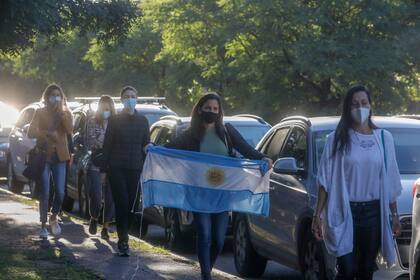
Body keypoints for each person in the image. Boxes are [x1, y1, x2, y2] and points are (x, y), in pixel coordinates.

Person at [167, 92, 272, 280]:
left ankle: (208, 267)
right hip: (199, 193)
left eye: (215, 109)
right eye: (208, 108)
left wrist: (262, 158)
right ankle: (206, 275)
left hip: (223, 193)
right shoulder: (191, 134)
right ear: (200, 110)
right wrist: (152, 148)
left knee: (218, 239)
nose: (211, 112)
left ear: (219, 112)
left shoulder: (227, 132)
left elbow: (245, 149)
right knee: (205, 235)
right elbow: (170, 147)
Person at [311, 85, 402, 280]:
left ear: (370, 106)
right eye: (354, 104)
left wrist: (394, 214)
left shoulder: (384, 139)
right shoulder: (335, 139)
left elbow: (391, 180)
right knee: (347, 269)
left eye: (363, 103)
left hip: (373, 213)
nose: (359, 107)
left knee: (365, 269)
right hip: (344, 212)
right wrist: (317, 215)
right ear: (347, 109)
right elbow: (324, 181)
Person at [100, 86, 150, 256]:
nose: (130, 99)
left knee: (132, 206)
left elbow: (146, 145)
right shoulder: (114, 120)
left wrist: (150, 154)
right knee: (122, 203)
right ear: (121, 100)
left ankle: (125, 233)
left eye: (133, 96)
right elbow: (107, 146)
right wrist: (103, 170)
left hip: (135, 168)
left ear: (137, 98)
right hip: (116, 168)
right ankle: (123, 241)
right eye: (127, 96)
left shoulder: (143, 121)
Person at [28, 84, 73, 239]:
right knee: (45, 191)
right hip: (44, 156)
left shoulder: (66, 113)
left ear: (62, 97)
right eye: (52, 95)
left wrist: (62, 113)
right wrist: (46, 133)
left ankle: (54, 216)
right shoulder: (39, 112)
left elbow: (69, 130)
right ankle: (43, 225)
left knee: (60, 191)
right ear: (47, 97)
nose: (55, 98)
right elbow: (31, 132)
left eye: (58, 95)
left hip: (60, 156)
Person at [86, 95, 116, 240]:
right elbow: (91, 142)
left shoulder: (116, 123)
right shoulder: (92, 122)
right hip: (97, 163)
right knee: (96, 195)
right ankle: (94, 216)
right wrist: (107, 144)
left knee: (111, 197)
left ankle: (105, 226)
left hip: (112, 164)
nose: (106, 110)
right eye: (103, 107)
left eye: (108, 107)